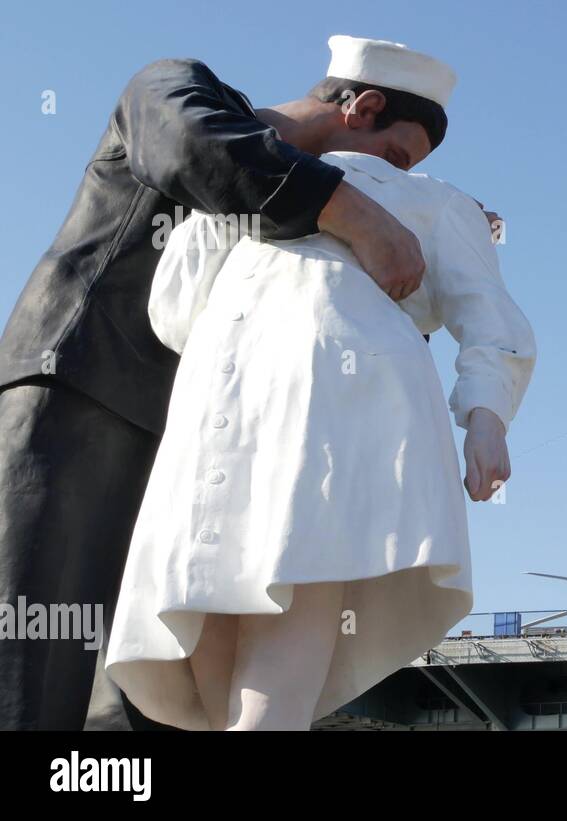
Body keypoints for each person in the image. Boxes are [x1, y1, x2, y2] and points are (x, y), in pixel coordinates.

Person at [0, 34, 493, 730]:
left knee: (138, 686)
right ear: (364, 106)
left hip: (193, 435)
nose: (388, 177)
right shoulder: (177, 88)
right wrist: (361, 214)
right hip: (81, 383)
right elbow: (201, 150)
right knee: (40, 643)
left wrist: (419, 230)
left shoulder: (323, 204)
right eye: (395, 158)